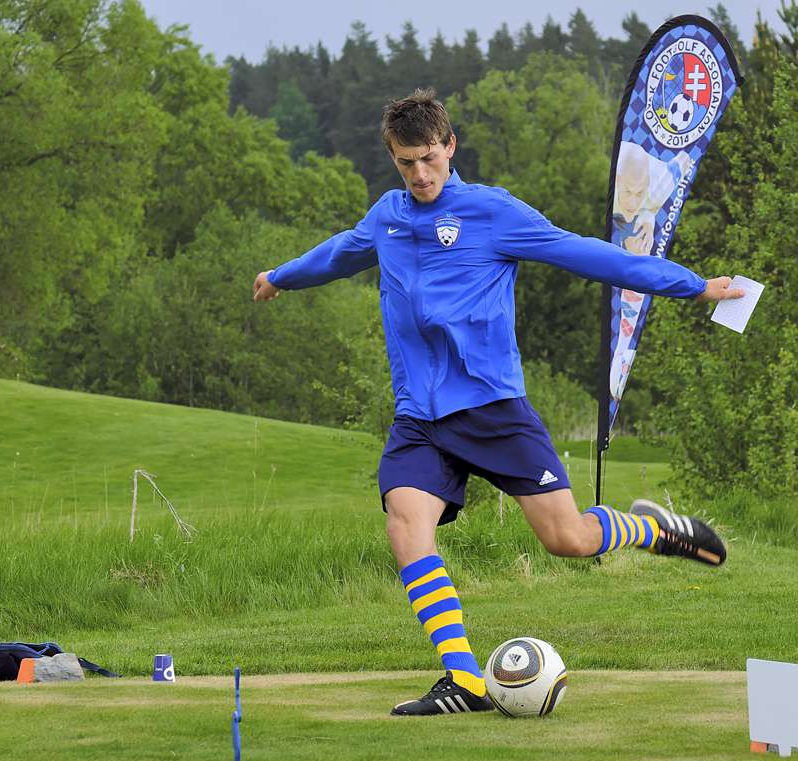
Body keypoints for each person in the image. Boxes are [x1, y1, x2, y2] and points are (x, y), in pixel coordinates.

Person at [252, 88, 743, 717]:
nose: (421, 174)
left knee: (567, 540)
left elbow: (592, 256)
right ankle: (464, 681)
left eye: (430, 158)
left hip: (492, 409)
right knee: (406, 525)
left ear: (450, 147)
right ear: (393, 159)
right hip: (419, 419)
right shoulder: (388, 216)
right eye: (407, 163)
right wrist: (280, 276)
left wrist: (693, 285)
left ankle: (651, 527)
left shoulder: (493, 213)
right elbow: (341, 252)